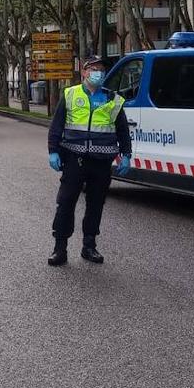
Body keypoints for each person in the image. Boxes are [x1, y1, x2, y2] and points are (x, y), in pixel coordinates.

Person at [46, 56, 131, 266]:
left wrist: (126, 154)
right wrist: (53, 151)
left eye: (101, 70)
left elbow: (122, 130)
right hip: (75, 159)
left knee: (96, 205)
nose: (98, 73)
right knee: (66, 202)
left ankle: (89, 246)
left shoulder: (113, 99)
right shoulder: (71, 94)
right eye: (93, 69)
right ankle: (60, 248)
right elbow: (57, 126)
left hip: (101, 161)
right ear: (84, 73)